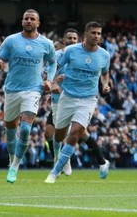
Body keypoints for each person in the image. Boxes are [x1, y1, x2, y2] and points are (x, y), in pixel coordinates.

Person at [0, 9, 56, 183]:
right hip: (12, 89)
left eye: (32, 19)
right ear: (22, 22)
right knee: (11, 130)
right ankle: (12, 159)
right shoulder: (11, 40)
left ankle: (15, 166)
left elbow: (52, 64)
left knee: (26, 129)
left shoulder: (47, 43)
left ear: (38, 23)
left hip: (33, 90)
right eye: (26, 18)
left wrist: (49, 80)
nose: (29, 21)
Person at [45, 21, 111, 184]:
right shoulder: (70, 51)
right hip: (67, 98)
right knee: (59, 135)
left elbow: (105, 72)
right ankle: (100, 162)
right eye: (93, 33)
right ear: (85, 34)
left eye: (99, 33)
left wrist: (105, 84)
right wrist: (53, 83)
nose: (96, 36)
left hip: (88, 100)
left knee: (75, 132)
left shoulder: (104, 55)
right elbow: (55, 65)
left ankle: (54, 172)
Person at [44, 28, 78, 175]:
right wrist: (54, 83)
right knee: (58, 133)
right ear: (64, 40)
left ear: (78, 40)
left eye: (74, 39)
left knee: (69, 133)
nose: (72, 41)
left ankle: (64, 160)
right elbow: (47, 77)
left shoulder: (81, 56)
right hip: (58, 99)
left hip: (76, 99)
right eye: (69, 38)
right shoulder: (56, 56)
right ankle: (60, 160)